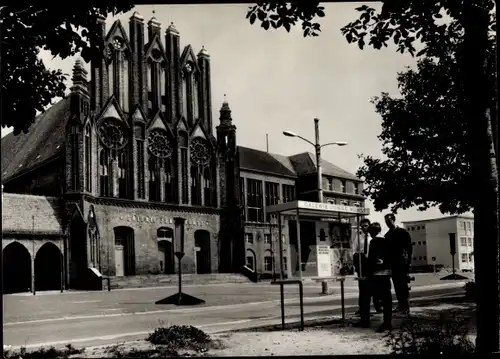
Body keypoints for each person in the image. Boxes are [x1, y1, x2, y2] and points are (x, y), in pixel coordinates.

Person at [384, 213, 413, 315]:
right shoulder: (387, 236)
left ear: (393, 220)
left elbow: (409, 248)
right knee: (396, 285)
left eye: (388, 221)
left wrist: (408, 262)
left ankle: (406, 307)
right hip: (393, 264)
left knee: (403, 285)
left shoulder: (403, 232)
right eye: (386, 222)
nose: (387, 223)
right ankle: (401, 305)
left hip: (402, 263)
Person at [367, 222, 393, 332]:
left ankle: (385, 324)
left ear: (373, 232)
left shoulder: (374, 242)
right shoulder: (387, 240)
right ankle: (388, 322)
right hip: (387, 273)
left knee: (378, 298)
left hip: (377, 273)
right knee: (387, 299)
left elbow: (371, 258)